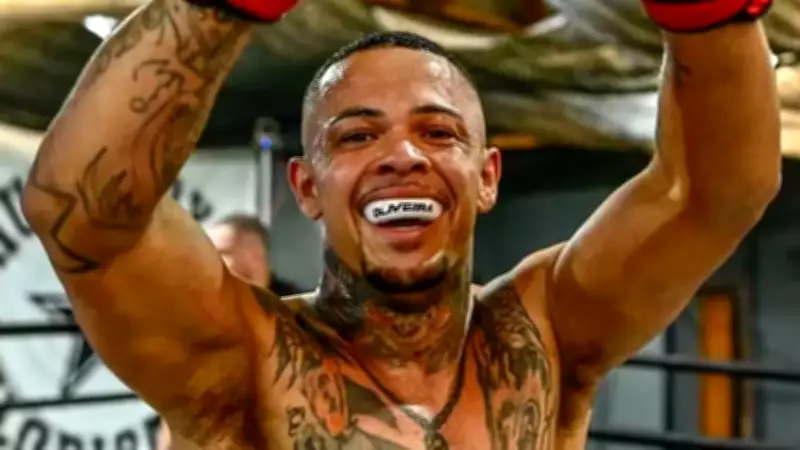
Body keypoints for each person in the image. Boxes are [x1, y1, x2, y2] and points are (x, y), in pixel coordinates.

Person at [20, 0, 780, 448]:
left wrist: (708, 16)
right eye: (356, 136)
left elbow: (709, 195)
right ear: (306, 188)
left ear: (487, 177)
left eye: (438, 132)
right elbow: (80, 215)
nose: (403, 156)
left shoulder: (543, 333)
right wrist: (215, 9)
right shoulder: (242, 358)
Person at [155, 213, 298, 449]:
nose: (207, 264)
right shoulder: (193, 326)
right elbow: (175, 422)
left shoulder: (297, 318)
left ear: (257, 259)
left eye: (221, 253)